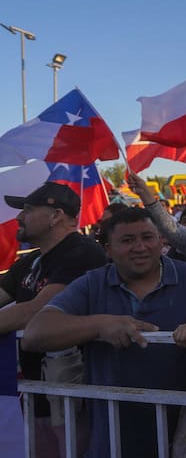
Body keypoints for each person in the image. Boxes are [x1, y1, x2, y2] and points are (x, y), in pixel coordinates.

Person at [22, 207, 186, 458]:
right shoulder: (92, 283)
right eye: (127, 240)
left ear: (161, 241)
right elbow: (34, 333)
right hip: (112, 439)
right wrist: (99, 325)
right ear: (108, 250)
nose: (140, 247)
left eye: (148, 237)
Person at [0, 182, 106, 457]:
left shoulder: (83, 252)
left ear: (56, 215)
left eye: (28, 209)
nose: (19, 218)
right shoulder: (30, 261)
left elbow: (38, 310)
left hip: (74, 395)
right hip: (35, 393)